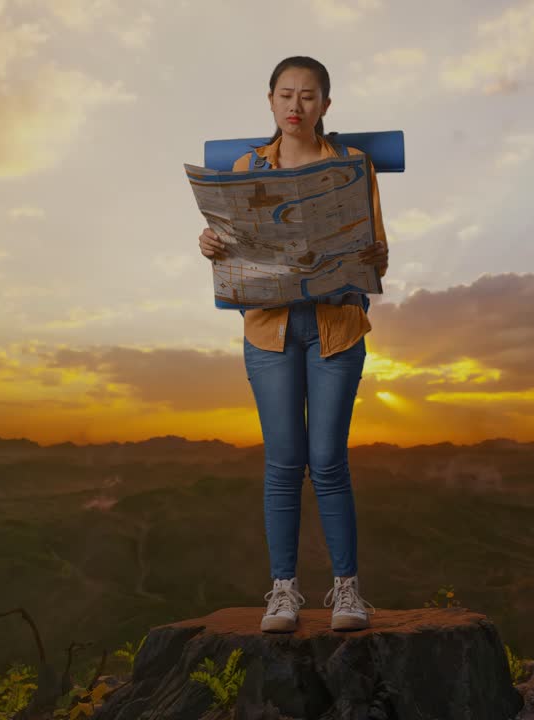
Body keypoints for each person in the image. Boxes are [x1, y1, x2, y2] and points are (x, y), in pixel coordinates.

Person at [197, 56, 389, 633]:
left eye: (308, 96)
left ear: (326, 106)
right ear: (271, 101)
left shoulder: (352, 165)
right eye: (286, 95)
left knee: (328, 460)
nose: (295, 106)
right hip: (270, 329)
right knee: (283, 463)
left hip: (336, 327)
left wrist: (376, 257)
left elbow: (375, 246)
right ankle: (283, 592)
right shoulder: (248, 166)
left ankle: (347, 592)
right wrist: (211, 243)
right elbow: (233, 245)